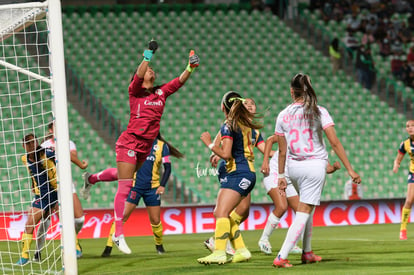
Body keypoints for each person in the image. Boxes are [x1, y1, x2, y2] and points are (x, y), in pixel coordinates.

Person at [112, 40, 199, 254]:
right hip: (130, 141)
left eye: (152, 69)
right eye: (149, 70)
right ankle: (118, 234)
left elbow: (178, 82)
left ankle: (93, 178)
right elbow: (139, 74)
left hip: (145, 145)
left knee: (122, 175)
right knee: (124, 185)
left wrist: (190, 67)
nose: (152, 71)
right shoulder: (135, 91)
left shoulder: (161, 93)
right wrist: (148, 54)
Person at [272, 73, 361, 268]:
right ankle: (282, 256)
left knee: (306, 208)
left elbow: (281, 150)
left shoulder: (282, 114)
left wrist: (280, 175)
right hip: (314, 166)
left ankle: (307, 252)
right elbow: (334, 142)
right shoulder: (319, 111)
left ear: (291, 91)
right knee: (304, 211)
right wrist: (350, 170)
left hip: (293, 168)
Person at [80, 134, 183, 256]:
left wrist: (162, 185)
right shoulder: (135, 143)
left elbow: (168, 168)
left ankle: (159, 246)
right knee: (122, 216)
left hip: (152, 188)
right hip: (135, 186)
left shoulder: (162, 146)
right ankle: (108, 247)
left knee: (155, 220)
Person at [198, 91, 262, 264]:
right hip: (246, 172)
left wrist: (209, 143)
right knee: (225, 213)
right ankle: (241, 250)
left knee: (221, 212)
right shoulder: (244, 123)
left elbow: (226, 154)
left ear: (222, 107)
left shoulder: (229, 125)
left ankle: (219, 251)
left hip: (237, 172)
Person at [259, 134, 341, 255]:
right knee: (282, 206)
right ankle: (264, 239)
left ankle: (291, 245)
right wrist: (265, 162)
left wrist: (333, 168)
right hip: (275, 171)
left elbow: (326, 167)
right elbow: (270, 140)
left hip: (288, 177)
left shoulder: (317, 144)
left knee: (302, 212)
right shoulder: (294, 130)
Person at [34, 122, 88, 260]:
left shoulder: (69, 143)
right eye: (55, 127)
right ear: (50, 130)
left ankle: (72, 239)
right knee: (46, 219)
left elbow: (73, 155)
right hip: (49, 186)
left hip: (66, 183)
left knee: (79, 218)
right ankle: (37, 251)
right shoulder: (44, 145)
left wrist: (81, 164)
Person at [16, 134, 59, 265]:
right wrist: (32, 184)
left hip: (56, 192)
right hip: (41, 195)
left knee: (53, 223)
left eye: (33, 142)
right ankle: (25, 256)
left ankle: (75, 248)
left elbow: (63, 157)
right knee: (31, 224)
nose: (31, 145)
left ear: (37, 143)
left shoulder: (47, 153)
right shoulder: (25, 159)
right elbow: (32, 172)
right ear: (24, 146)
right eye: (28, 143)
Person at [392, 120, 414, 240]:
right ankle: (403, 229)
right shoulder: (405, 143)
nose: (410, 128)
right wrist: (396, 165)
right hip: (413, 173)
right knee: (409, 200)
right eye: (408, 126)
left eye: (412, 126)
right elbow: (398, 158)